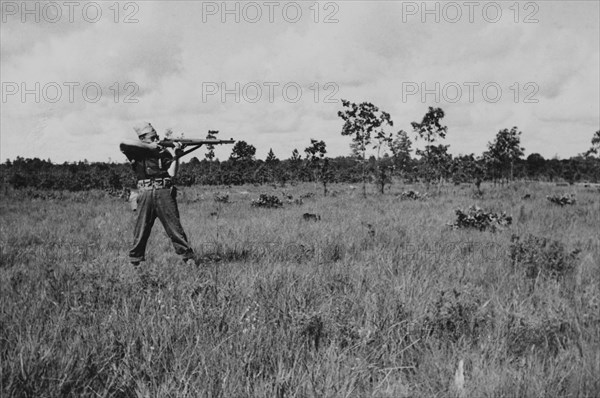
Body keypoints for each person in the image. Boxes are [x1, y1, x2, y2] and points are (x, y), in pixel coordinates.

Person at [120, 122, 195, 266]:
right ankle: (135, 262)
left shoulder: (163, 152)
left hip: (164, 191)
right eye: (152, 137)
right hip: (145, 193)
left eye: (157, 137)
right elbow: (123, 143)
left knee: (175, 229)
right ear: (142, 138)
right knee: (141, 230)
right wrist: (149, 146)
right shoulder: (135, 151)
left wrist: (176, 156)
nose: (156, 140)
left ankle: (188, 259)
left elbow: (171, 173)